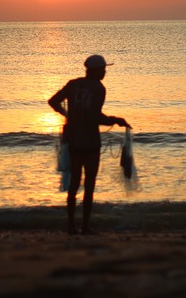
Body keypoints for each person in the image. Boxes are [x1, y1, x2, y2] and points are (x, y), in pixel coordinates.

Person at [48, 54, 131, 235]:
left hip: (74, 140)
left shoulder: (72, 84)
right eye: (103, 69)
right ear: (95, 70)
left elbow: (52, 101)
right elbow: (96, 116)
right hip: (91, 141)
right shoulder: (99, 88)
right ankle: (85, 226)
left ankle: (70, 225)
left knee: (74, 183)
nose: (105, 72)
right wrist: (115, 120)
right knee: (90, 184)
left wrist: (68, 115)